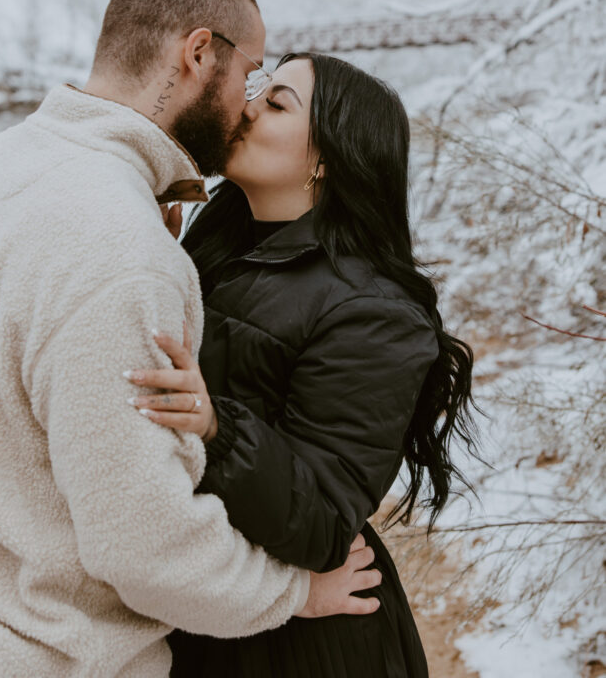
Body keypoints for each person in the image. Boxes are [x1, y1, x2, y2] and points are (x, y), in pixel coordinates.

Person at [0, 0, 380, 678]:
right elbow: (143, 545)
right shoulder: (118, 246)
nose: (247, 102)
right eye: (250, 73)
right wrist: (293, 591)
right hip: (41, 656)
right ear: (199, 54)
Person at [124, 51, 477, 677]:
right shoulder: (223, 247)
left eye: (278, 102)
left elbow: (322, 522)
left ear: (326, 159)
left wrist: (218, 425)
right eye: (258, 88)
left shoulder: (375, 310)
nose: (246, 105)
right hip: (213, 607)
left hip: (301, 646)